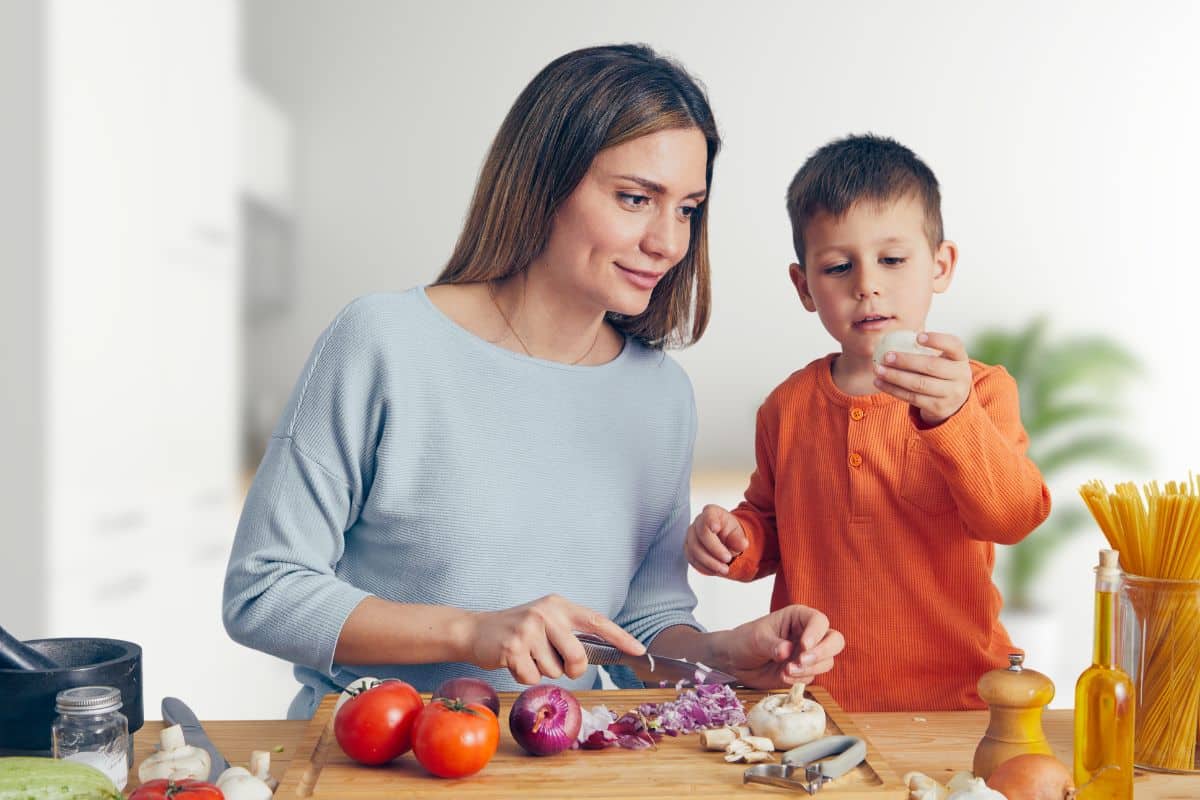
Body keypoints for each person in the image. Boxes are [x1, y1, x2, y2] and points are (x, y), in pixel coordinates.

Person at [223, 44, 844, 719]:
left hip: (560, 762)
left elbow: (641, 625)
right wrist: (471, 631)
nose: (668, 241)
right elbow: (264, 592)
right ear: (544, 183)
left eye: (688, 209)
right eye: (636, 198)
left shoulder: (660, 395)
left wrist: (723, 655)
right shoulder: (384, 342)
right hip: (381, 759)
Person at [684, 134, 1052, 712]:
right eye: (837, 266)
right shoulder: (787, 407)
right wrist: (736, 540)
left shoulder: (979, 390)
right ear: (805, 287)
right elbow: (773, 526)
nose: (867, 285)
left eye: (892, 259)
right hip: (816, 703)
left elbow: (1012, 517)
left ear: (941, 265)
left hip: (957, 702)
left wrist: (954, 418)